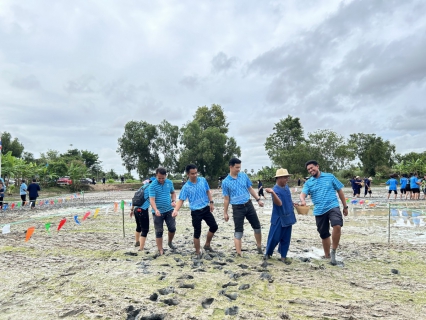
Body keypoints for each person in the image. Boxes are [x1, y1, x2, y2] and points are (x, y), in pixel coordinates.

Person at [300, 160, 348, 266]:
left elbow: (340, 191)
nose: (310, 170)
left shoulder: (330, 177)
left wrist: (345, 206)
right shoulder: (309, 182)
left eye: (312, 168)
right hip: (319, 210)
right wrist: (303, 200)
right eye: (308, 169)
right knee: (324, 233)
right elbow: (303, 194)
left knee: (337, 225)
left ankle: (333, 252)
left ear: (317, 166)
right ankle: (327, 255)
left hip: (332, 206)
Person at [173, 164, 217, 259]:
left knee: (214, 226)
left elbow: (208, 191)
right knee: (197, 232)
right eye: (192, 173)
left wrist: (211, 202)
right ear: (188, 174)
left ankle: (207, 244)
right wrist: (176, 210)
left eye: (196, 173)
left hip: (205, 208)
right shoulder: (186, 187)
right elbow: (181, 200)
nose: (195, 175)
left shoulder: (203, 180)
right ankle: (197, 252)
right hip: (195, 212)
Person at [222, 158, 264, 257]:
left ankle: (259, 247)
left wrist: (258, 200)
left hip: (248, 205)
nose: (238, 169)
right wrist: (225, 212)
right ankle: (239, 253)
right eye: (237, 167)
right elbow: (226, 199)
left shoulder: (244, 176)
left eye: (239, 167)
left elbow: (250, 188)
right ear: (231, 167)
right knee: (238, 231)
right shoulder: (225, 182)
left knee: (257, 227)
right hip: (237, 208)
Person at [263, 168, 297, 264]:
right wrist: (273, 193)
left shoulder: (286, 187)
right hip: (279, 218)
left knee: (286, 238)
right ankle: (268, 254)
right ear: (279, 178)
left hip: (288, 216)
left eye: (287, 177)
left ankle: (283, 256)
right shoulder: (275, 190)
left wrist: (293, 203)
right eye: (285, 177)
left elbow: (288, 199)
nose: (287, 179)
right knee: (274, 237)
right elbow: (279, 203)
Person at [149, 167, 177, 256]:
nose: (161, 180)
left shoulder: (169, 182)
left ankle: (169, 242)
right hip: (157, 212)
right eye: (159, 178)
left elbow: (173, 193)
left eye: (162, 178)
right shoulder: (152, 185)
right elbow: (152, 200)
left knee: (172, 228)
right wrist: (156, 209)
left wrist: (173, 201)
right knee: (159, 231)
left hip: (169, 210)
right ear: (156, 176)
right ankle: (160, 249)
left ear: (166, 176)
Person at [130, 178, 154, 251]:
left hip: (136, 209)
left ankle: (137, 242)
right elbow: (153, 199)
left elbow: (134, 198)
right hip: (143, 210)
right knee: (145, 229)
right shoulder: (151, 188)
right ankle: (141, 248)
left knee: (138, 227)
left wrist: (132, 210)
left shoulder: (142, 187)